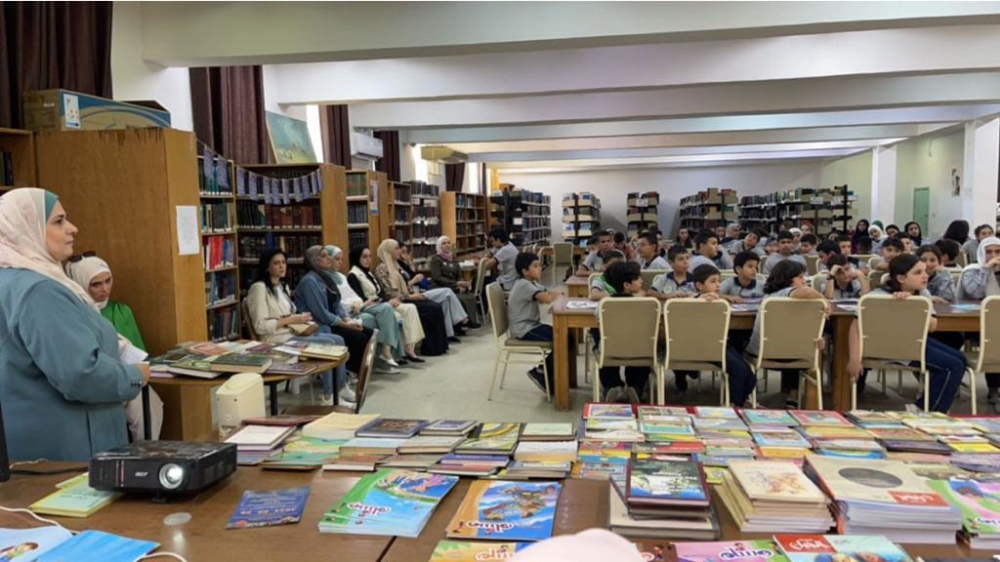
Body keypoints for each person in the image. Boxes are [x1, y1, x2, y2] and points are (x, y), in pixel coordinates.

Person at [0, 188, 148, 461]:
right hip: (69, 446)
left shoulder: (11, 281)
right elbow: (80, 374)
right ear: (26, 228)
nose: (73, 228)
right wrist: (134, 376)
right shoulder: (40, 290)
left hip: (31, 443)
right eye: (59, 221)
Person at [848, 254, 967, 413]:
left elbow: (932, 327)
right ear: (901, 278)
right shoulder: (876, 297)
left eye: (924, 271)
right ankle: (928, 411)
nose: (925, 276)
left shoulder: (922, 294)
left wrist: (913, 304)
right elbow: (855, 327)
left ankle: (925, 404)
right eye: (918, 272)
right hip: (891, 347)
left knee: (961, 359)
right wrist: (854, 359)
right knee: (952, 366)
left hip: (913, 341)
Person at [66, 255, 164, 441]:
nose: (105, 289)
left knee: (151, 406)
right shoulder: (77, 315)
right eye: (96, 284)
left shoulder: (121, 310)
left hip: (128, 375)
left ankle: (145, 451)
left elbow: (138, 354)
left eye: (108, 281)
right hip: (99, 379)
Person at [245, 248, 354, 405]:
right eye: (276, 263)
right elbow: (260, 326)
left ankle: (341, 387)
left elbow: (288, 315)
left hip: (292, 334)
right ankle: (328, 396)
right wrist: (292, 319)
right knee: (329, 343)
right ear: (267, 267)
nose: (282, 266)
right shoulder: (259, 288)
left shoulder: (282, 287)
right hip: (275, 341)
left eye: (283, 262)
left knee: (338, 340)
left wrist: (302, 320)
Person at [746, 260, 828, 409]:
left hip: (762, 353)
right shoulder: (786, 293)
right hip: (797, 354)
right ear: (788, 279)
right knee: (794, 343)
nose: (804, 281)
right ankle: (793, 395)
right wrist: (824, 301)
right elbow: (806, 291)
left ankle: (749, 394)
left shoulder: (769, 297)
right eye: (800, 277)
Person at [294, 246, 379, 381]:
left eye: (328, 255)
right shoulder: (309, 281)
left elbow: (336, 302)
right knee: (359, 337)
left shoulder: (325, 277)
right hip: (319, 324)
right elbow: (321, 313)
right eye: (323, 256)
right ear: (314, 260)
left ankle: (357, 371)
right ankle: (349, 371)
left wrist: (346, 318)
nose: (328, 259)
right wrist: (346, 325)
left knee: (369, 333)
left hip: (332, 320)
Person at [349, 246, 444, 357]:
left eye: (370, 256)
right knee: (407, 310)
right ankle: (396, 352)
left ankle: (410, 347)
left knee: (411, 308)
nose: (368, 259)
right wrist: (389, 301)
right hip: (373, 305)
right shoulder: (354, 275)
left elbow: (380, 292)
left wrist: (388, 300)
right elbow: (362, 298)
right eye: (364, 257)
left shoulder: (369, 273)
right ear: (357, 258)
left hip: (387, 300)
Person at [690, 264, 758, 406]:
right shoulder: (692, 301)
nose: (718, 285)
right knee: (739, 370)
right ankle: (733, 405)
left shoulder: (721, 302)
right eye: (713, 281)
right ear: (699, 285)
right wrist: (699, 300)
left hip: (722, 344)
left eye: (719, 281)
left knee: (750, 377)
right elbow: (679, 305)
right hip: (704, 346)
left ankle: (738, 403)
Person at [326, 245, 406, 366]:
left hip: (358, 307)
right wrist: (354, 304)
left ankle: (385, 352)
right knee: (377, 316)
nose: (340, 262)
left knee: (384, 311)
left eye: (341, 259)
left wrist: (357, 303)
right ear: (328, 259)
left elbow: (353, 295)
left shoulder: (341, 277)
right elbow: (337, 301)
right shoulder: (326, 279)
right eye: (336, 259)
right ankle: (382, 356)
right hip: (346, 313)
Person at [377, 239, 470, 342]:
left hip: (415, 291)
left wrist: (409, 263)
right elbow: (390, 292)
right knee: (445, 294)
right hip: (407, 297)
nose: (400, 252)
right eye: (397, 249)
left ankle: (448, 334)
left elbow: (409, 279)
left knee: (445, 300)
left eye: (402, 250)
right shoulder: (383, 268)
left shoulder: (397, 265)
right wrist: (411, 293)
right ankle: (461, 318)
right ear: (389, 250)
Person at [595, 260, 651, 403]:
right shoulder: (647, 304)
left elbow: (598, 321)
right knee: (644, 349)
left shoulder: (604, 304)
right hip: (639, 349)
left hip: (611, 348)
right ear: (627, 285)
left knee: (601, 342)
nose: (641, 280)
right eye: (638, 278)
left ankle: (612, 387)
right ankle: (636, 387)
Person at [507, 252, 563, 395]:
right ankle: (541, 372)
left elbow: (546, 292)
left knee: (564, 335)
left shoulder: (531, 283)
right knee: (562, 338)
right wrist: (554, 294)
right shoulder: (523, 285)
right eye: (535, 266)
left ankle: (549, 374)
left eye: (539, 265)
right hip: (524, 329)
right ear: (525, 271)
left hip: (532, 325)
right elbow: (546, 298)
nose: (540, 269)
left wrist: (553, 294)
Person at [958, 236, 1000, 407]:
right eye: (988, 252)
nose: (993, 256)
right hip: (973, 324)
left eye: (997, 252)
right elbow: (974, 292)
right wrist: (986, 270)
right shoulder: (972, 270)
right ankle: (994, 388)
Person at [428, 236, 482, 327]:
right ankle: (460, 323)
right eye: (444, 243)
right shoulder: (436, 260)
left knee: (469, 296)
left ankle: (471, 320)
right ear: (439, 246)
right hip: (440, 286)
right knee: (459, 298)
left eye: (448, 243)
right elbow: (437, 278)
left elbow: (459, 275)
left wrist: (461, 284)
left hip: (453, 286)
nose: (447, 245)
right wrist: (456, 284)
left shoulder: (453, 259)